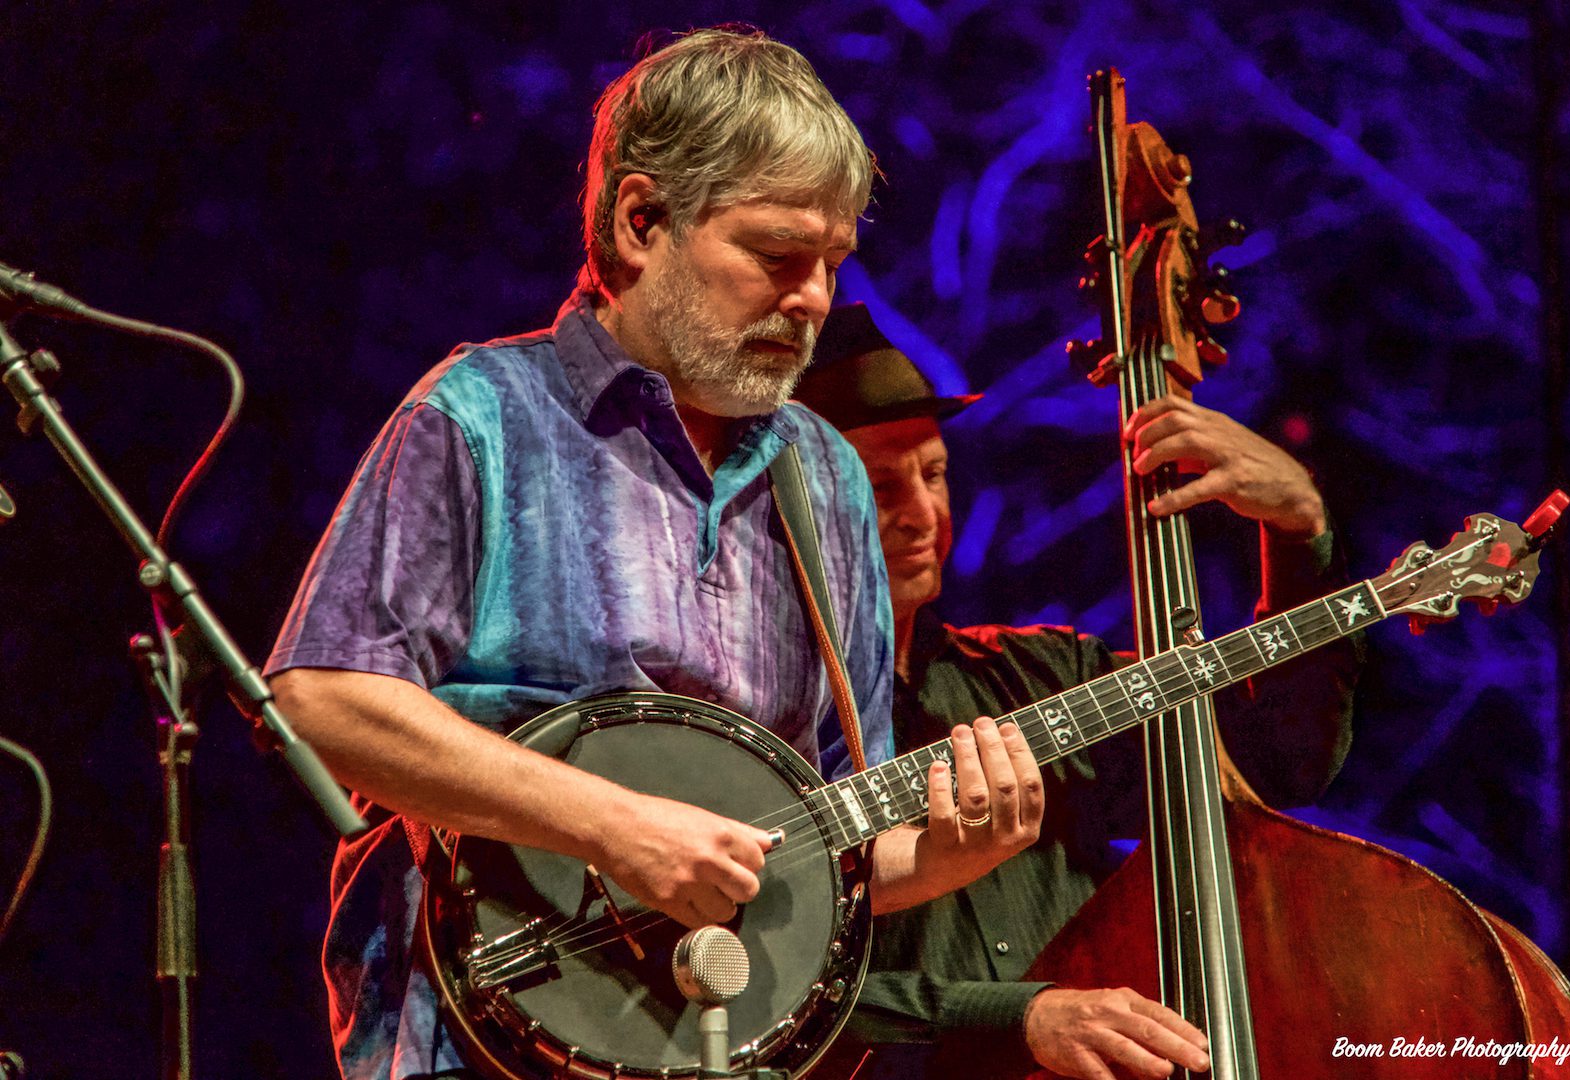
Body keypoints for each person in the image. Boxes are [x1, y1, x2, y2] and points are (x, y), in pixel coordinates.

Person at [263, 32, 1044, 1080]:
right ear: (641, 223)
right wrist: (610, 824)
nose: (813, 297)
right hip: (471, 1043)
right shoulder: (484, 416)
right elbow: (324, 697)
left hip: (719, 1049)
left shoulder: (825, 478)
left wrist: (949, 855)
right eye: (775, 256)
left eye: (830, 264)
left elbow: (807, 855)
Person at [793, 303, 1361, 1080]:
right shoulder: (758, 723)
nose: (922, 514)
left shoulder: (1048, 677)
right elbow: (753, 988)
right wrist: (1013, 1017)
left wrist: (1298, 530)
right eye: (881, 488)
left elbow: (1278, 763)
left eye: (933, 474)